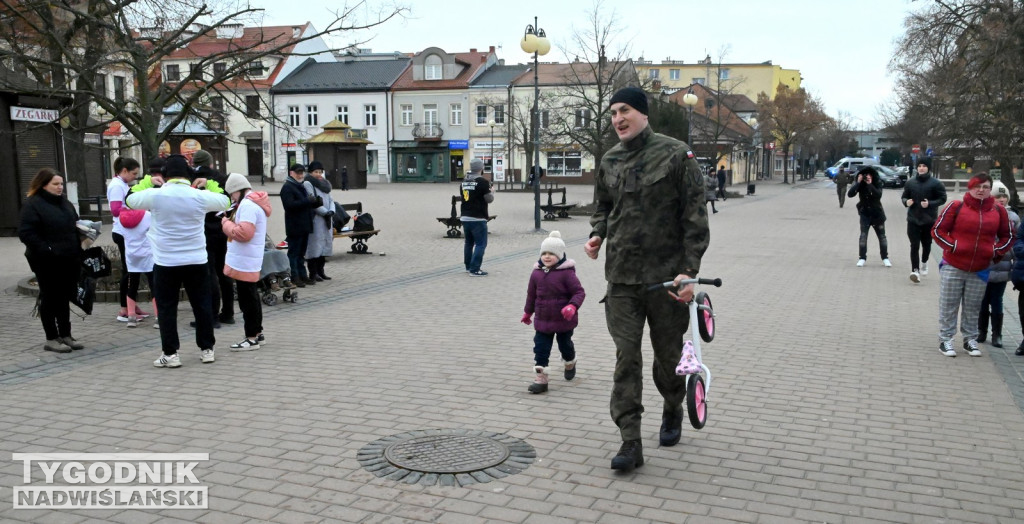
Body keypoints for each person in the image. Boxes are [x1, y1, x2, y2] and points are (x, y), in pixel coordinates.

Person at [584, 86, 709, 472]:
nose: (617, 119)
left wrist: (689, 271)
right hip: (621, 278)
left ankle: (673, 406)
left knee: (667, 357)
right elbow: (604, 206)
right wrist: (598, 233)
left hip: (666, 280)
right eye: (612, 113)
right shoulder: (609, 159)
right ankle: (630, 442)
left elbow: (695, 215)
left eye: (624, 111)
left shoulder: (676, 154)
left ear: (643, 113)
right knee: (627, 359)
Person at [126, 154, 230, 368]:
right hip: (196, 259)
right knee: (201, 305)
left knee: (166, 308)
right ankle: (207, 349)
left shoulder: (156, 195)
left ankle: (171, 354)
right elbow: (226, 200)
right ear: (189, 174)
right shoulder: (198, 196)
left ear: (164, 175)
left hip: (166, 262)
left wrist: (148, 181)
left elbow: (129, 199)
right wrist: (208, 182)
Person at [932, 172, 1012, 357]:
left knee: (973, 306)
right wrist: (953, 246)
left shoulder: (998, 211)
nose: (981, 190)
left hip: (980, 268)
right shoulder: (956, 206)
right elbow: (938, 230)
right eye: (977, 186)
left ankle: (970, 340)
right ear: (971, 187)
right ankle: (946, 339)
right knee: (949, 305)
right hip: (954, 265)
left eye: (985, 187)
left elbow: (1008, 236)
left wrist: (995, 251)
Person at [18, 168, 84, 353]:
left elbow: (75, 224)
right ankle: (51, 338)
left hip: (69, 257)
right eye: (55, 184)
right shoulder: (33, 204)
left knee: (64, 297)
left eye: (61, 184)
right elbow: (26, 233)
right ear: (43, 184)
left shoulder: (65, 203)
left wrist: (85, 232)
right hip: (45, 260)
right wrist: (47, 249)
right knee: (49, 297)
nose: (60, 187)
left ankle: (66, 335)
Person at [521, 231, 586, 394]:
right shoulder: (536, 273)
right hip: (543, 320)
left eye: (551, 253)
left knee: (565, 345)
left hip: (564, 320)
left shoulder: (567, 273)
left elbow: (579, 293)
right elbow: (531, 295)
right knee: (540, 349)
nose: (547, 257)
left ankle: (570, 361)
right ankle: (541, 379)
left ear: (560, 255)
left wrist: (572, 306)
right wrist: (528, 312)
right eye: (544, 253)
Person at [221, 173, 271, 351]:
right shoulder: (251, 204)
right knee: (251, 298)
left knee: (247, 300)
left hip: (245, 259)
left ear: (238, 190)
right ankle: (257, 333)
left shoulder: (248, 206)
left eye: (232, 194)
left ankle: (251, 337)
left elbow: (244, 234)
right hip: (249, 258)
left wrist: (226, 224)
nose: (231, 198)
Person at [193, 149, 234, 327]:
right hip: (222, 229)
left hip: (203, 232)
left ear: (194, 163)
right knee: (224, 272)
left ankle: (212, 315)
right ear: (210, 163)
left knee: (209, 274)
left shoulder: (191, 180)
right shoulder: (222, 178)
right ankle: (228, 313)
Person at [978, 181, 1019, 348]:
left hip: (1002, 266)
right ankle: (981, 331)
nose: (1001, 199)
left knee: (997, 300)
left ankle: (997, 334)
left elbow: (1016, 244)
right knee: (981, 300)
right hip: (983, 265)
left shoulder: (1013, 218)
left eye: (1004, 196)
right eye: (997, 196)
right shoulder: (982, 214)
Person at [106, 156, 145, 322]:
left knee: (132, 271)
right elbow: (115, 210)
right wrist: (135, 208)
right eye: (134, 173)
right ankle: (124, 308)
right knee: (129, 271)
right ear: (124, 171)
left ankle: (131, 305)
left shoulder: (122, 184)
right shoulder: (116, 186)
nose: (135, 177)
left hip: (126, 231)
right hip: (122, 232)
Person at [901, 157, 946, 282]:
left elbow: (942, 198)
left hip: (929, 220)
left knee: (926, 245)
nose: (921, 168)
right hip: (913, 219)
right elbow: (904, 197)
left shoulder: (936, 183)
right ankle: (915, 271)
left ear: (928, 168)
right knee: (914, 245)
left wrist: (930, 203)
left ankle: (924, 262)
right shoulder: (910, 183)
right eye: (919, 165)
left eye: (924, 166)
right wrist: (906, 202)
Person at [281, 163, 320, 287]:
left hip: (304, 225)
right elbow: (289, 205)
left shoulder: (300, 185)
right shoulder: (288, 187)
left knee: (301, 253)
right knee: (294, 253)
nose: (300, 175)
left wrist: (315, 203)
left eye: (302, 172)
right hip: (295, 225)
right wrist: (307, 201)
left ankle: (303, 276)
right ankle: (294, 276)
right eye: (297, 172)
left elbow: (304, 204)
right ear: (291, 173)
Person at [117, 208, 158, 329]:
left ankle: (131, 317)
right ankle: (158, 317)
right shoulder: (148, 215)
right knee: (154, 285)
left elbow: (121, 234)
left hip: (131, 255)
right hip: (147, 254)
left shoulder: (121, 217)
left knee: (132, 285)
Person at [848, 166, 891, 267]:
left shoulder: (877, 183)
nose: (866, 177)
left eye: (869, 175)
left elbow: (878, 194)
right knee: (863, 236)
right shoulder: (860, 184)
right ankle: (862, 258)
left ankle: (885, 258)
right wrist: (858, 182)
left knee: (882, 237)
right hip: (865, 214)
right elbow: (850, 194)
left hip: (877, 214)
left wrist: (870, 184)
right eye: (865, 175)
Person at [303, 161, 335, 282]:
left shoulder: (325, 184)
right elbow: (312, 201)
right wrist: (324, 212)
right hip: (316, 219)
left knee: (324, 246)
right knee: (314, 246)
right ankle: (313, 272)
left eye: (320, 172)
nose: (318, 174)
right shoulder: (308, 183)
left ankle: (321, 271)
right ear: (311, 172)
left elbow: (331, 199)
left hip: (327, 219)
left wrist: (331, 211)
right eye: (316, 172)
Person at [461, 158, 493, 276]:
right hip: (478, 217)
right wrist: (492, 191)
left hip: (465, 216)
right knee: (480, 244)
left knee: (468, 243)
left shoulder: (464, 182)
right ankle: (475, 269)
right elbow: (489, 199)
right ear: (481, 168)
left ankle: (468, 266)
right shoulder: (482, 182)